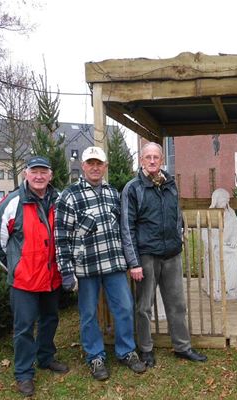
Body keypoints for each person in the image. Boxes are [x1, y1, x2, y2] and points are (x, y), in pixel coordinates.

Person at [55, 146, 146, 381]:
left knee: (124, 309)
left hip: (114, 264)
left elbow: (124, 228)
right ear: (83, 166)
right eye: (90, 163)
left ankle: (126, 351)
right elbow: (61, 237)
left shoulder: (113, 193)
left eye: (99, 164)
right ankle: (95, 356)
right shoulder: (70, 195)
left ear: (105, 167)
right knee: (88, 314)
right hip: (86, 267)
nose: (95, 168)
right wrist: (66, 270)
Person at [0, 156, 68, 397]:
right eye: (35, 172)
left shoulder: (59, 199)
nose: (39, 176)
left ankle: (46, 357)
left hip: (51, 276)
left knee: (50, 319)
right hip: (24, 281)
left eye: (44, 172)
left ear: (50, 175)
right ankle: (23, 373)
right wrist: (13, 267)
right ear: (26, 174)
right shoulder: (14, 202)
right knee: (23, 328)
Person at [121, 142, 207, 368]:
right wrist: (133, 262)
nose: (151, 161)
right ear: (141, 161)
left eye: (155, 157)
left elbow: (176, 214)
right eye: (147, 157)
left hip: (172, 254)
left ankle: (182, 347)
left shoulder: (170, 185)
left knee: (177, 304)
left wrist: (178, 235)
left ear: (161, 160)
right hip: (146, 256)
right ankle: (146, 349)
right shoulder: (133, 188)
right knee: (144, 307)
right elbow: (126, 227)